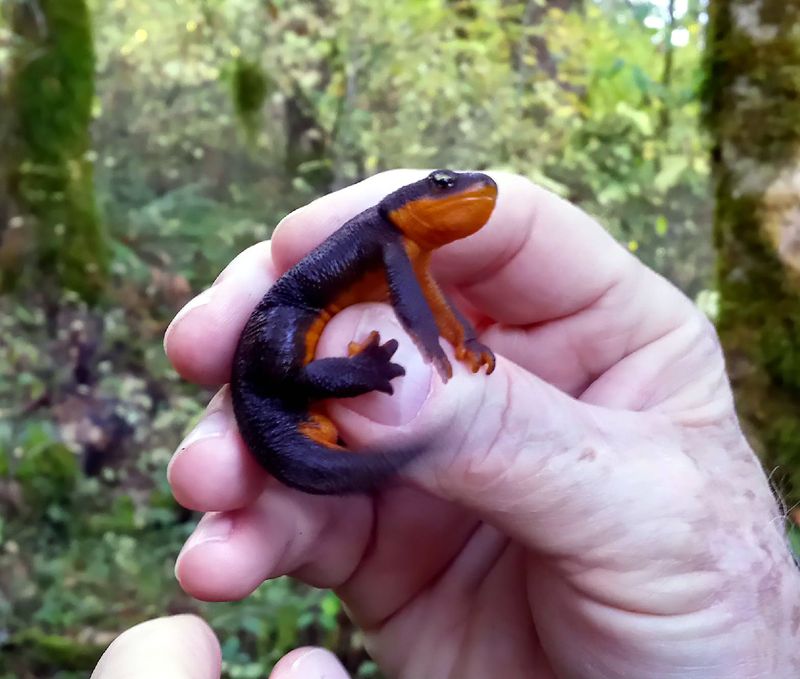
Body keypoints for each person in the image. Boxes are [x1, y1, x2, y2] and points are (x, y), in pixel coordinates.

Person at [91, 171, 800, 679]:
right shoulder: (388, 234)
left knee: (331, 375)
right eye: (444, 186)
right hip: (283, 367)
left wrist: (459, 347)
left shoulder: (411, 249)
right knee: (306, 363)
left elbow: (423, 297)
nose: (470, 195)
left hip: (297, 412)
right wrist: (387, 370)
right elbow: (411, 302)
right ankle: (352, 385)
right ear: (408, 201)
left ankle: (352, 393)